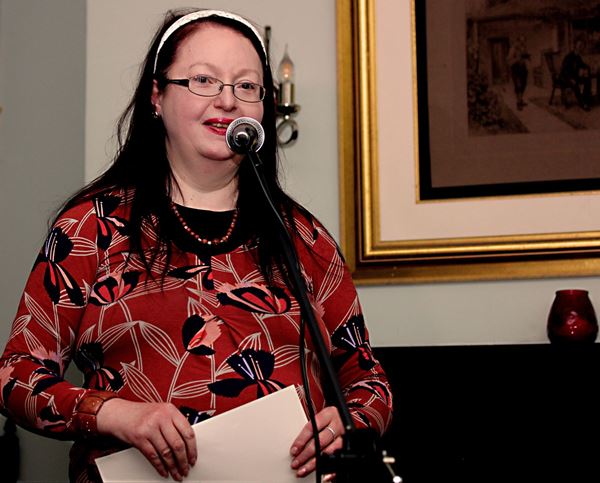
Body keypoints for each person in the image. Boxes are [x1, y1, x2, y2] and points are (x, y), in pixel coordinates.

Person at [0, 8, 392, 483]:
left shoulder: (304, 238)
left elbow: (368, 381)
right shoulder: (91, 228)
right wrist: (113, 414)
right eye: (203, 80)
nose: (227, 100)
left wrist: (349, 424)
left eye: (246, 86)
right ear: (157, 96)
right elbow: (16, 378)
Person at [559, 37, 592, 111]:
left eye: (582, 46)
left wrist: (588, 67)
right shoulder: (569, 56)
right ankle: (583, 104)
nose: (581, 47)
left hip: (574, 77)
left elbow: (583, 65)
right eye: (579, 45)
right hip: (565, 78)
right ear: (575, 46)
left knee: (587, 80)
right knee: (575, 84)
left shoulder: (578, 57)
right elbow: (564, 70)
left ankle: (586, 99)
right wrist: (571, 79)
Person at [507, 35, 530, 110]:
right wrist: (517, 59)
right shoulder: (513, 49)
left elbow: (526, 59)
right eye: (521, 41)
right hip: (516, 69)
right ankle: (518, 103)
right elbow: (508, 61)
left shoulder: (524, 49)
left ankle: (520, 100)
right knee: (518, 86)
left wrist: (527, 58)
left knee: (523, 85)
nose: (522, 43)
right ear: (518, 41)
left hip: (523, 69)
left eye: (524, 41)